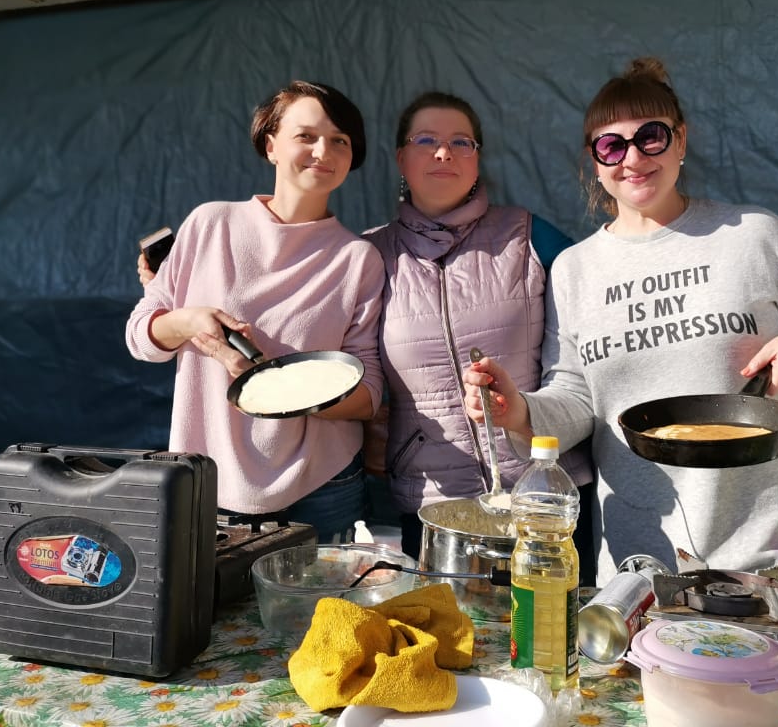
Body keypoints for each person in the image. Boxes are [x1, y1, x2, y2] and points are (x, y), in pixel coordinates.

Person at [462, 57, 778, 619]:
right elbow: (577, 397)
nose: (633, 158)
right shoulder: (576, 269)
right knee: (655, 678)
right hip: (643, 547)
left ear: (681, 141)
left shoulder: (752, 235)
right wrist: (518, 410)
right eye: (611, 146)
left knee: (777, 674)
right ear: (595, 161)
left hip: (766, 530)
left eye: (650, 137)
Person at [126, 80, 385, 543]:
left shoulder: (358, 258)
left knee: (325, 595)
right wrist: (189, 321)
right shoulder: (210, 223)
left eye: (340, 141)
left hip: (322, 484)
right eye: (306, 136)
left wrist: (281, 387)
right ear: (271, 146)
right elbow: (140, 338)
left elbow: (368, 394)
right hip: (208, 479)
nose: (323, 151)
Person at [363, 92, 596, 583]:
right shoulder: (370, 256)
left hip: (545, 497)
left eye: (460, 142)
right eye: (425, 140)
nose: (443, 153)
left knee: (552, 626)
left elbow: (603, 308)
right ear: (401, 158)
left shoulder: (528, 236)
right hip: (434, 505)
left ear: (477, 158)